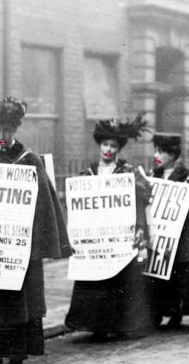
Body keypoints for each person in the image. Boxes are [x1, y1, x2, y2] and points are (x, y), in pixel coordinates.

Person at [0, 97, 71, 364]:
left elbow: (44, 206)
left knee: (16, 303)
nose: (3, 136)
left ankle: (16, 354)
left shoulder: (30, 161)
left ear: (16, 129)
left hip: (19, 248)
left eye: (8, 130)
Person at [65, 114, 155, 341]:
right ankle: (97, 324)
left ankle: (119, 324)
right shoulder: (89, 173)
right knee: (96, 279)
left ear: (119, 148)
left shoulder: (128, 172)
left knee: (119, 279)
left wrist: (134, 186)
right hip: (97, 238)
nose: (108, 149)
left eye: (113, 146)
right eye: (105, 144)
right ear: (99, 144)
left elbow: (145, 195)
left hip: (119, 238)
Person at [148, 133, 189, 328]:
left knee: (175, 275)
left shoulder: (186, 177)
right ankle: (156, 311)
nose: (156, 155)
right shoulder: (152, 175)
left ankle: (175, 311)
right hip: (157, 235)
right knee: (155, 275)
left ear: (172, 155)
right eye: (155, 150)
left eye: (161, 151)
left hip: (177, 237)